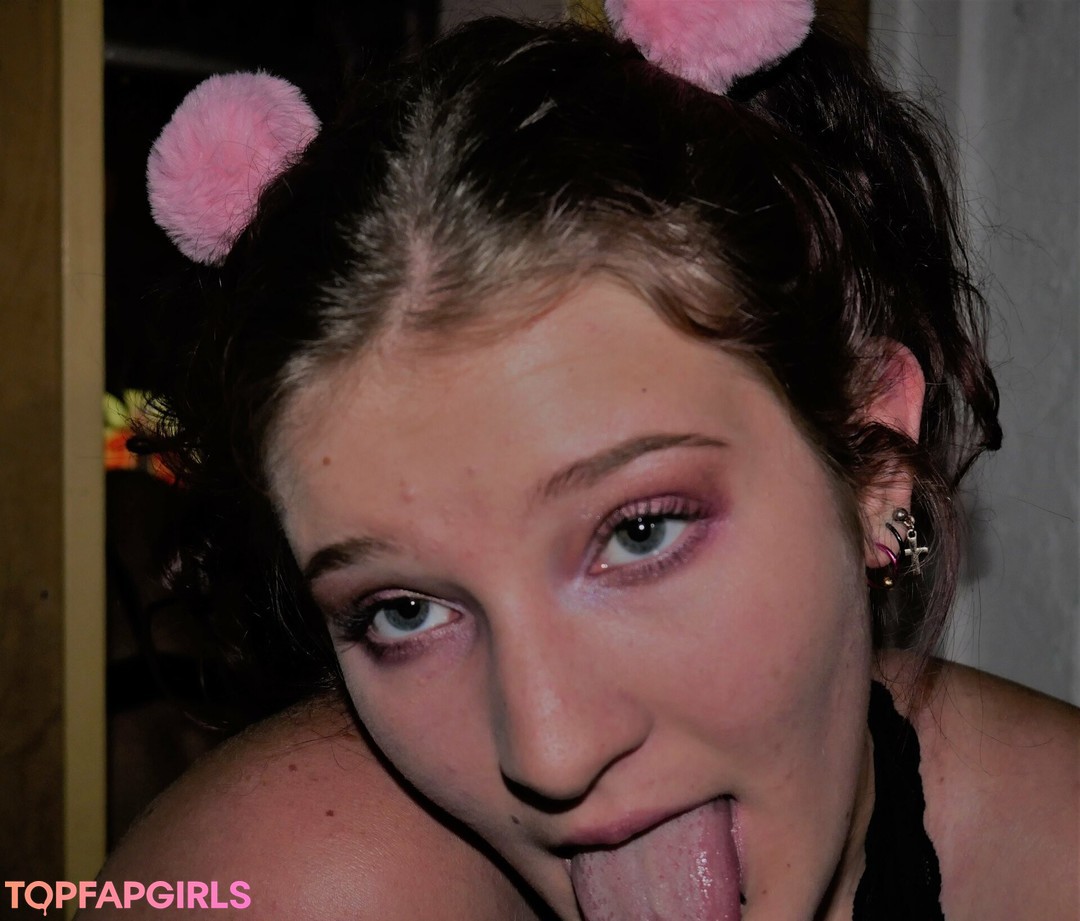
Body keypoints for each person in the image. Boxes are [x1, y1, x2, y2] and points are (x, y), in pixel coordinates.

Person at [93, 1, 1079, 919]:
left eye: (640, 533)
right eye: (403, 610)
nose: (550, 752)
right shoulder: (282, 887)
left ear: (872, 462)